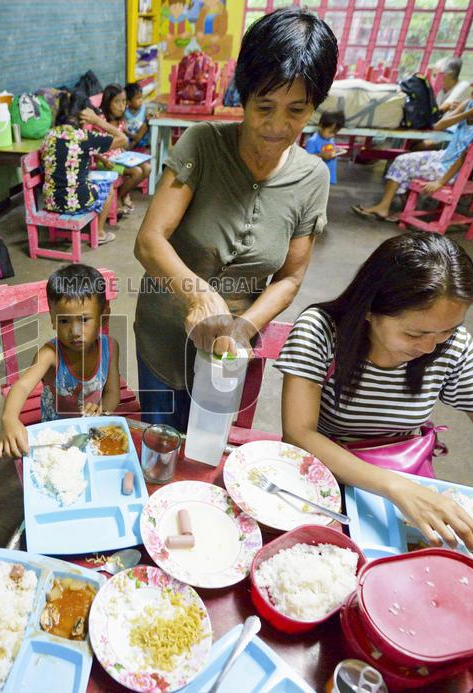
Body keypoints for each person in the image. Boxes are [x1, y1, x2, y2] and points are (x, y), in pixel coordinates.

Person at [276, 233, 473, 553]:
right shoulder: (321, 332)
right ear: (369, 309)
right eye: (415, 333)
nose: (429, 347)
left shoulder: (451, 345)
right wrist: (396, 486)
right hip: (329, 473)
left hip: (403, 470)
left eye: (448, 330)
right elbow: (299, 434)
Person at [133, 7, 337, 432]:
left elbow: (290, 278)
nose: (277, 126)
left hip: (231, 345)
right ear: (242, 95)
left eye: (297, 111)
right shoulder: (203, 144)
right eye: (265, 106)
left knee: (210, 446)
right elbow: (150, 240)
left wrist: (243, 329)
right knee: (161, 439)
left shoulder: (313, 178)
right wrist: (197, 295)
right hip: (165, 330)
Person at [0, 263, 121, 458]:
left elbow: (113, 392)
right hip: (55, 429)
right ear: (53, 320)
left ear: (103, 317)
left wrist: (102, 409)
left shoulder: (110, 347)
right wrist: (9, 418)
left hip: (91, 424)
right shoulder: (50, 354)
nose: (75, 332)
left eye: (84, 320)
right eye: (64, 321)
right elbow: (21, 387)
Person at [352, 74, 473, 222]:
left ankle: (399, 208)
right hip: (444, 156)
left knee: (407, 168)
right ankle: (385, 207)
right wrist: (468, 113)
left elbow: (466, 157)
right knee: (401, 160)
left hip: (453, 170)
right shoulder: (468, 105)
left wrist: (441, 182)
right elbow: (438, 126)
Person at [41, 96, 129, 244]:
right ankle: (99, 233)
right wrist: (98, 121)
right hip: (75, 203)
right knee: (109, 188)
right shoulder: (85, 138)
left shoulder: (49, 135)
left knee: (85, 181)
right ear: (84, 118)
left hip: (51, 201)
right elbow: (123, 139)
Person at [97, 84, 151, 216]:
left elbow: (123, 143)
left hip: (120, 157)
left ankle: (122, 194)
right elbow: (93, 147)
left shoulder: (120, 121)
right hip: (105, 161)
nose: (122, 106)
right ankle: (119, 198)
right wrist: (102, 159)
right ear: (107, 102)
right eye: (117, 102)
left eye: (124, 101)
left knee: (147, 168)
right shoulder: (100, 121)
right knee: (137, 172)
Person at [304, 110, 346, 185]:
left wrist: (336, 150)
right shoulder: (313, 141)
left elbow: (329, 148)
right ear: (321, 125)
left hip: (329, 175)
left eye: (335, 133)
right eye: (330, 132)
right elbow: (307, 159)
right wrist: (322, 155)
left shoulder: (330, 138)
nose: (332, 135)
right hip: (317, 178)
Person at [124, 81, 150, 150]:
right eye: (138, 98)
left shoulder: (144, 109)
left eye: (141, 97)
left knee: (146, 124)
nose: (141, 100)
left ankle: (132, 145)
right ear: (128, 102)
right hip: (130, 139)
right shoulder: (125, 112)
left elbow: (147, 122)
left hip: (143, 141)